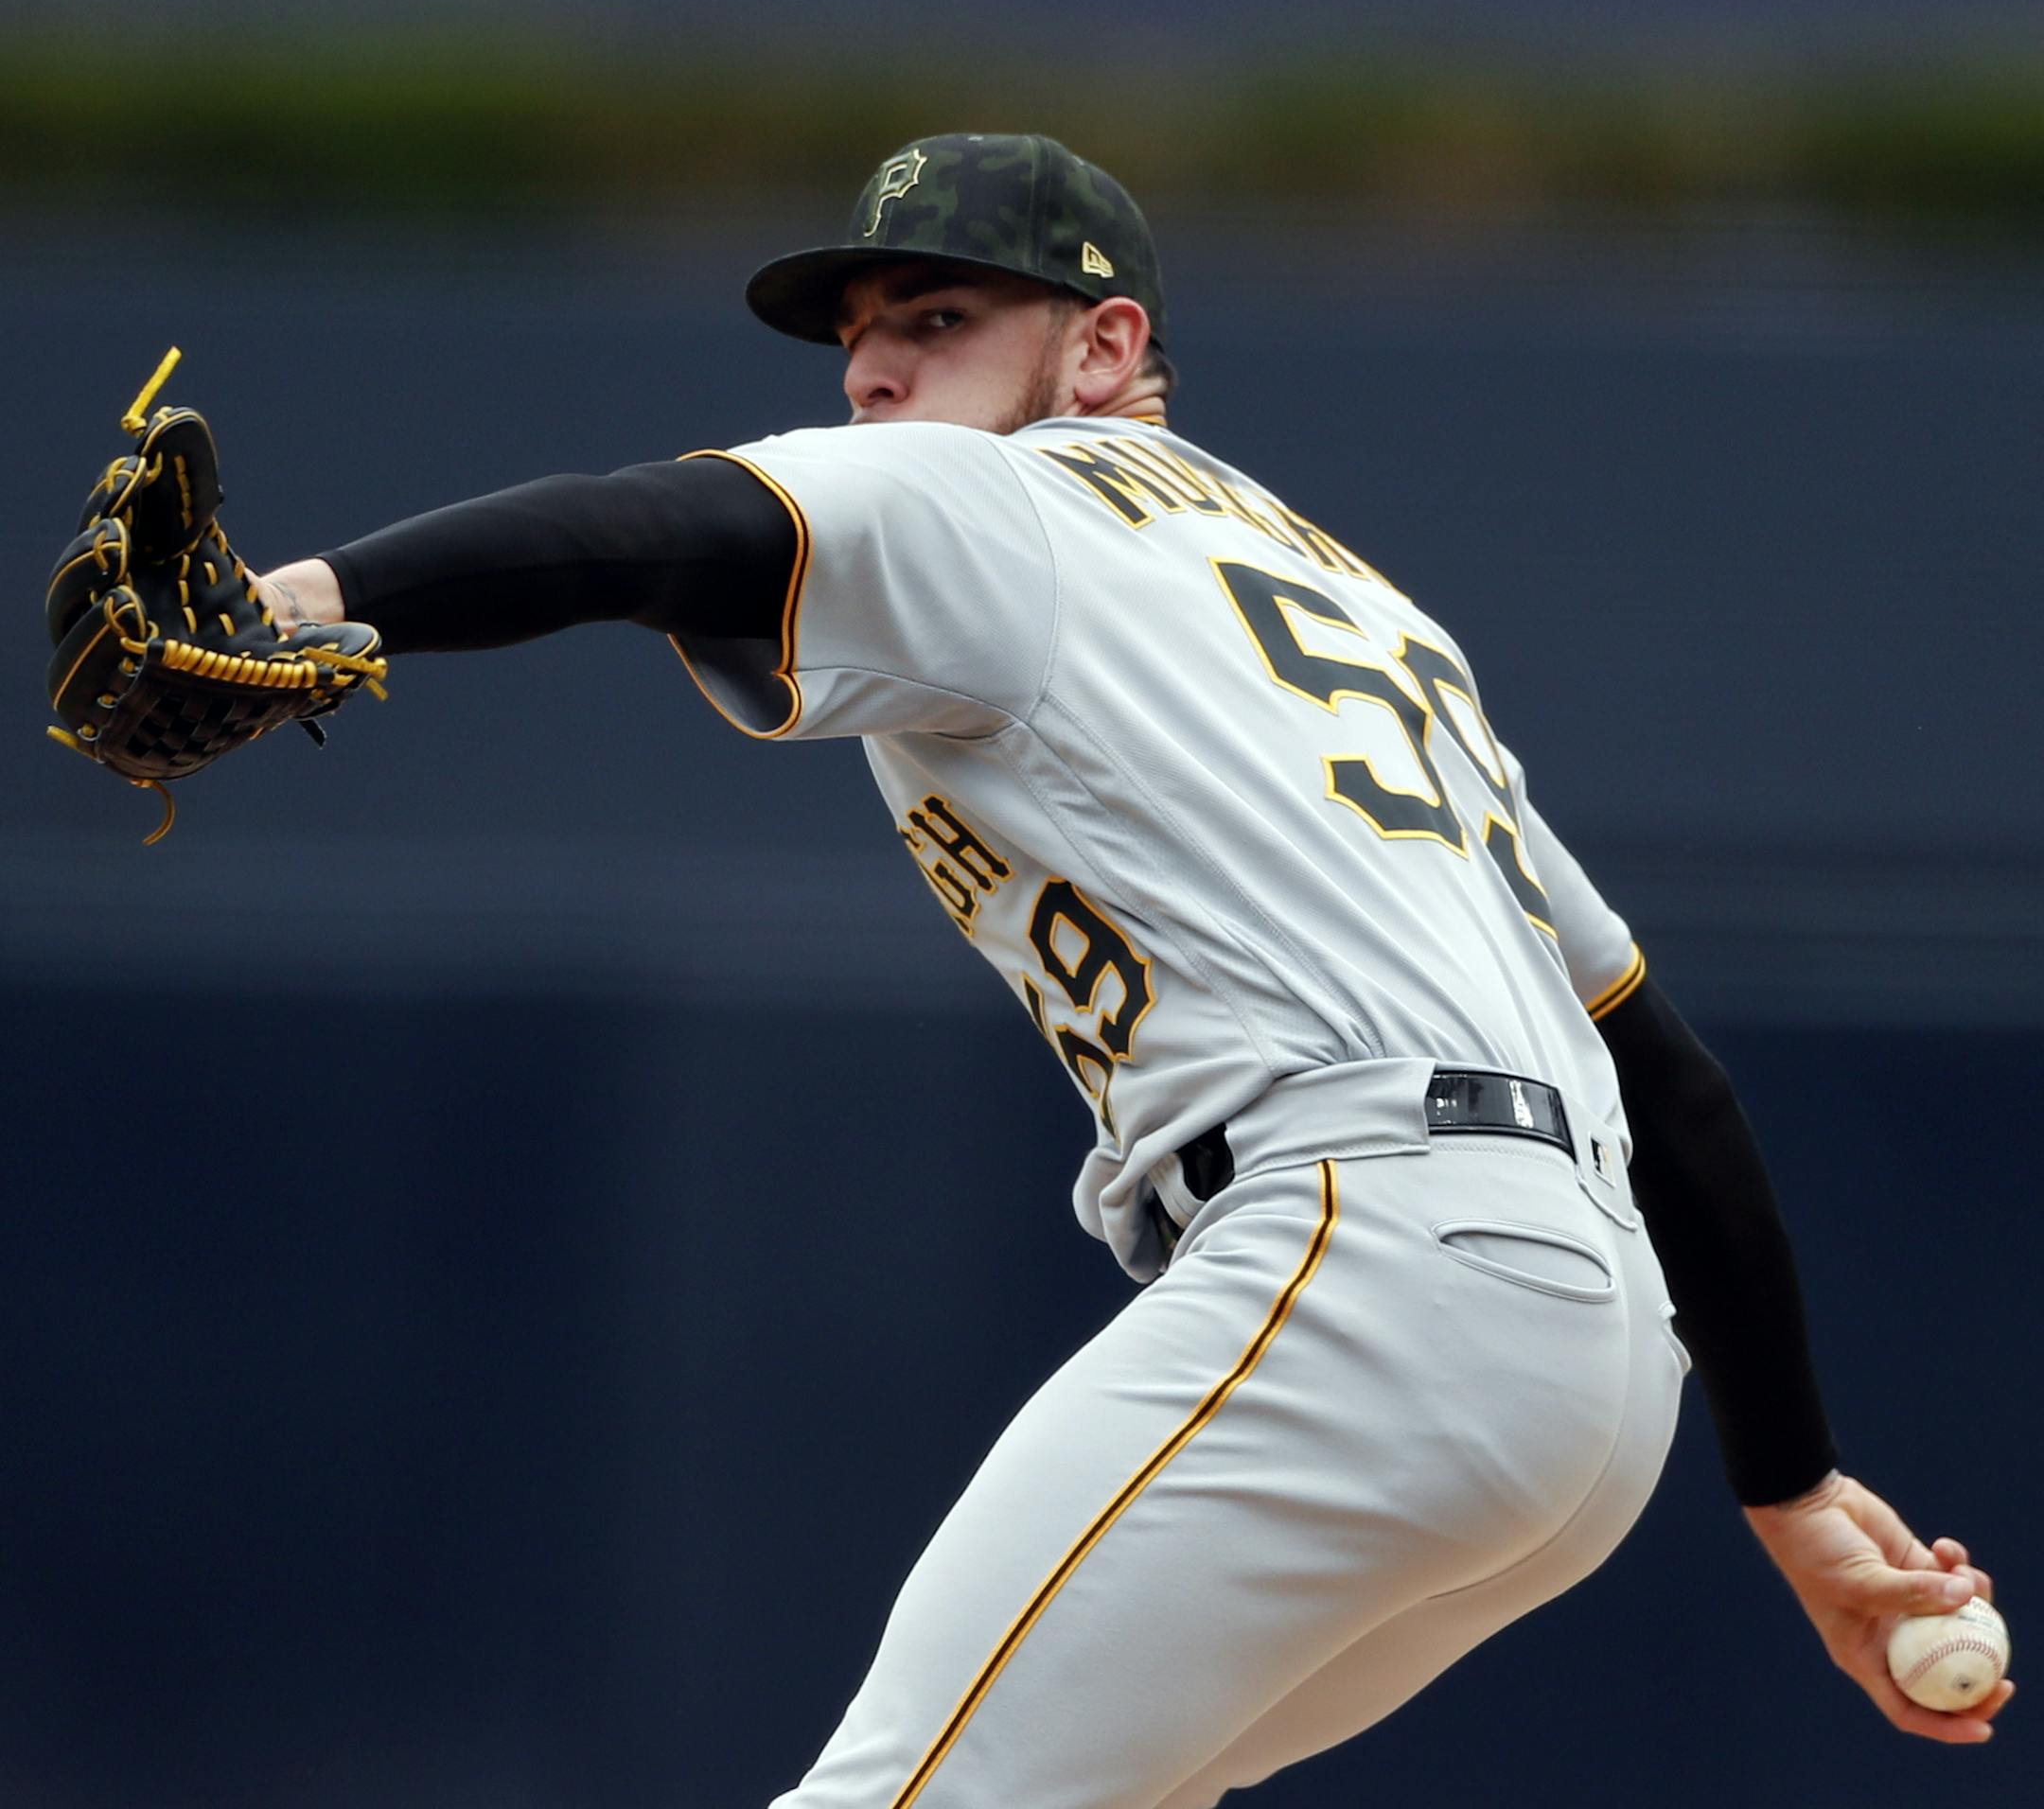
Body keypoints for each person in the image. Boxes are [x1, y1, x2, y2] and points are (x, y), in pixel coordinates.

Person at [254, 133, 2010, 1805]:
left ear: (1103, 347)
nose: (873, 376)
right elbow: (1662, 1073)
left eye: (937, 322)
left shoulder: (1011, 496)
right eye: (858, 340)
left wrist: (309, 599)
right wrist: (1787, 1484)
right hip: (1591, 1368)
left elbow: (656, 526)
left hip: (1369, 1264)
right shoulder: (1366, 615)